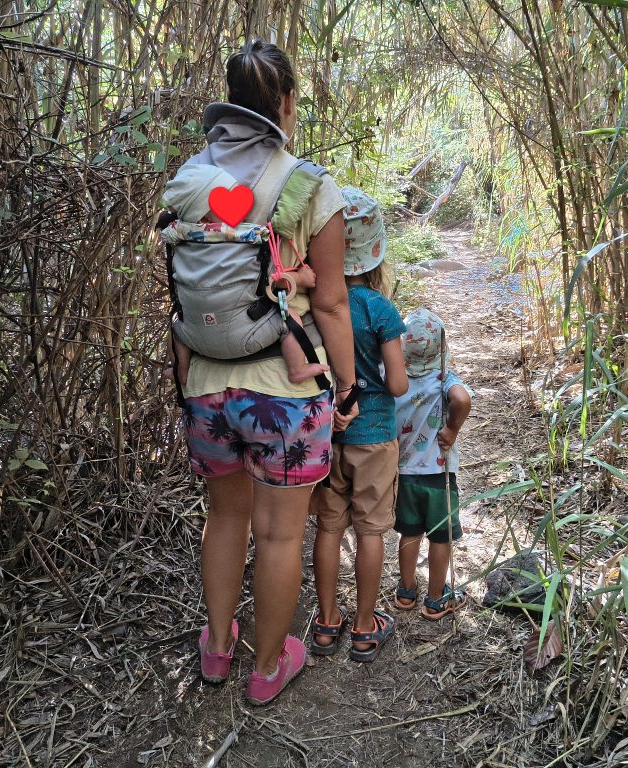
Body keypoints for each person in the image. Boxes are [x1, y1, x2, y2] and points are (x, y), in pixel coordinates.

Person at [174, 39, 356, 706]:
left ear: (230, 101)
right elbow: (331, 303)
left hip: (206, 382)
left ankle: (218, 648)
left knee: (224, 519)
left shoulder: (191, 179)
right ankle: (268, 667)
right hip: (285, 389)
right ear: (285, 102)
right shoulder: (308, 184)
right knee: (280, 533)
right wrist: (349, 385)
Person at [309, 187, 408, 662]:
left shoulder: (314, 301)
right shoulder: (380, 309)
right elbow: (399, 384)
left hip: (326, 435)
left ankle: (327, 622)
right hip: (375, 438)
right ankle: (365, 627)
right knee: (371, 532)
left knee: (329, 528)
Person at [159, 164, 330, 385]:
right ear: (204, 217)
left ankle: (181, 372)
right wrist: (301, 278)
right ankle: (297, 369)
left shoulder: (178, 240)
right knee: (290, 318)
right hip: (243, 339)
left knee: (175, 322)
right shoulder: (244, 239)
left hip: (194, 339)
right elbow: (273, 282)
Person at [392, 308, 472, 620]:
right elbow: (462, 400)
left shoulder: (395, 380)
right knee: (441, 536)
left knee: (409, 532)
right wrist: (451, 430)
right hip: (439, 475)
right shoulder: (443, 379)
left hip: (405, 473)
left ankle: (406, 591)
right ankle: (436, 599)